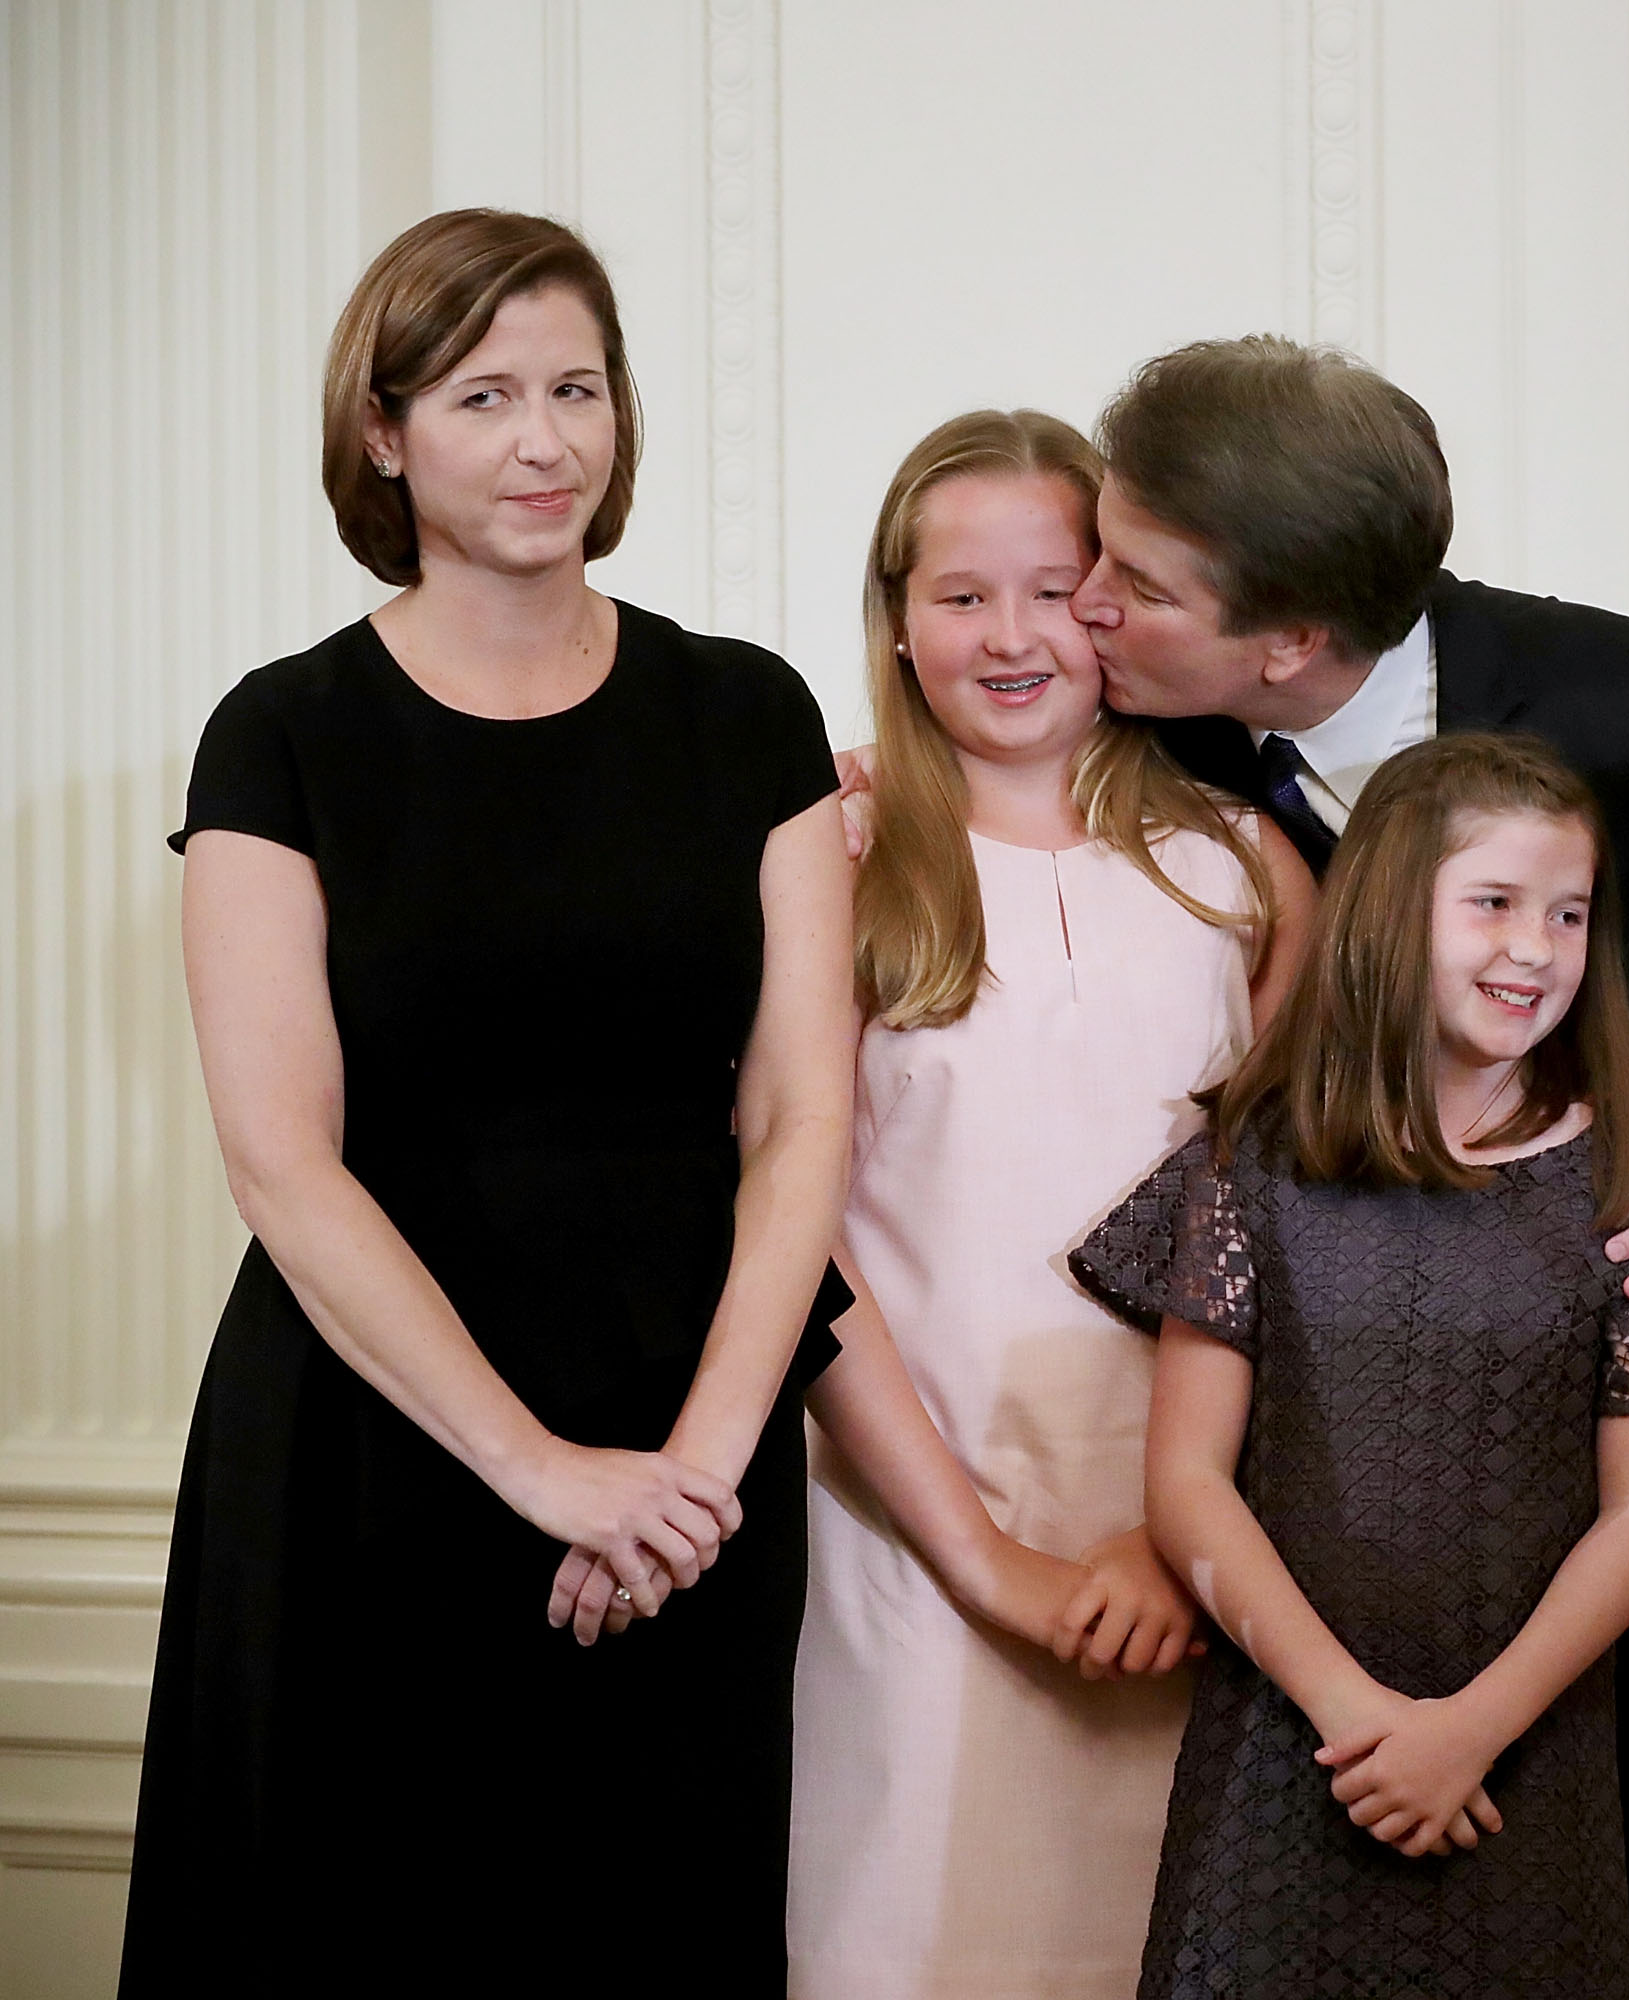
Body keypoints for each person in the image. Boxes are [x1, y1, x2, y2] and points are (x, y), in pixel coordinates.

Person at [1063, 337, 1629, 1997]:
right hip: (1335, 1512)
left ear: (1292, 643)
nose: (1087, 604)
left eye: (1132, 581)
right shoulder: (1161, 737)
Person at [125, 209, 856, 1990]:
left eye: (579, 389)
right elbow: (282, 1164)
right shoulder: (281, 735)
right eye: (483, 395)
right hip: (379, 1445)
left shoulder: (746, 712)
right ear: (382, 433)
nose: (546, 440)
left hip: (699, 1434)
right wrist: (543, 1476)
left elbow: (803, 1118)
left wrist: (688, 1473)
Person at [1071, 732, 1629, 1999]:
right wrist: (1355, 1716)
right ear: (1392, 910)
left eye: (1568, 912)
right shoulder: (1253, 1164)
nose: (1536, 947)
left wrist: (1467, 1731)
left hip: (1524, 1754)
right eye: (1493, 903)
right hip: (1285, 1745)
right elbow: (1187, 1482)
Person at [786, 409, 1314, 1998]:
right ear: (895, 617)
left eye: (1057, 589)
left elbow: (1291, 1238)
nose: (1011, 636)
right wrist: (986, 1562)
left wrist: (1181, 1546)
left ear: (1122, 610)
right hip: (906, 1534)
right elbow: (791, 1239)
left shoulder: (1244, 869)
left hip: (1192, 1551)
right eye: (961, 595)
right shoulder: (834, 856)